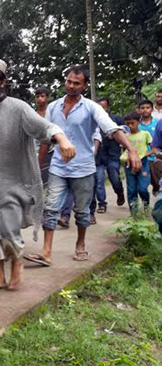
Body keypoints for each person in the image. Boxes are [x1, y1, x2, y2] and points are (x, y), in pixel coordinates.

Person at [0, 58, 75, 294]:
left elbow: (44, 128)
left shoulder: (18, 108)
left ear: (3, 82)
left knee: (8, 229)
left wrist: (63, 140)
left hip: (16, 183)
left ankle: (17, 262)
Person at [26, 65, 141, 267]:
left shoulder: (91, 107)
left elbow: (111, 129)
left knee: (81, 211)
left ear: (84, 85)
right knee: (51, 207)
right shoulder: (53, 107)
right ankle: (46, 252)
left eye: (76, 83)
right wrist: (38, 164)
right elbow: (46, 137)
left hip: (84, 169)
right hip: (58, 167)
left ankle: (80, 244)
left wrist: (131, 149)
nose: (71, 86)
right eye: (69, 81)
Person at [95, 97, 126, 209]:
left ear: (107, 107)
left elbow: (125, 130)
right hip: (97, 156)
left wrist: (115, 134)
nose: (102, 109)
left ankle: (119, 192)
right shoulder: (93, 121)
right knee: (99, 180)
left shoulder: (116, 119)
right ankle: (102, 204)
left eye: (104, 107)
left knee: (114, 177)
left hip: (113, 154)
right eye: (99, 107)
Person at [121, 112, 153, 213]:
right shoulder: (125, 136)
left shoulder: (145, 134)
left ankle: (146, 207)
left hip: (143, 163)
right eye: (128, 123)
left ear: (139, 122)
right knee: (131, 190)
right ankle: (134, 214)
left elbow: (153, 148)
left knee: (142, 188)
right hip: (129, 164)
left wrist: (145, 155)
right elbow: (124, 150)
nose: (130, 126)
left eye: (132, 123)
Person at [138, 100, 161, 195]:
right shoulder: (136, 125)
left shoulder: (158, 123)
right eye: (142, 108)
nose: (145, 110)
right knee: (143, 185)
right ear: (139, 110)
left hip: (156, 158)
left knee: (157, 181)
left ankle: (156, 189)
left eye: (147, 108)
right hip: (142, 158)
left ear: (152, 109)